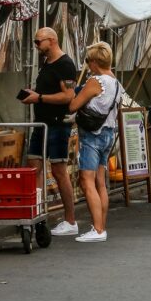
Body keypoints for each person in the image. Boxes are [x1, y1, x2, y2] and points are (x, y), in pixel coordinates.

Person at [21, 27, 78, 236]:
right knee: (33, 166)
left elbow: (69, 96)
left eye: (38, 42)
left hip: (57, 123)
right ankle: (36, 213)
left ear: (51, 41)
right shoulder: (46, 63)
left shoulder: (65, 64)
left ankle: (70, 220)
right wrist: (35, 95)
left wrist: (40, 98)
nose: (36, 45)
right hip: (41, 122)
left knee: (58, 170)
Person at [68, 42, 124, 242]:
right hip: (108, 134)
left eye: (87, 61)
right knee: (101, 182)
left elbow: (73, 105)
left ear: (94, 62)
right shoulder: (116, 83)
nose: (87, 65)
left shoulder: (95, 81)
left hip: (92, 135)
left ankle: (98, 230)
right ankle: (101, 226)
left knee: (87, 181)